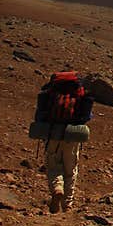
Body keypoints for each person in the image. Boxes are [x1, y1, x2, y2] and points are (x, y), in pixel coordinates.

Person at [34, 72, 93, 213]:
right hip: (72, 135)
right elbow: (86, 116)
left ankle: (57, 188)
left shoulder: (51, 92)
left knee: (54, 166)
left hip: (53, 134)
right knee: (71, 169)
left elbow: (40, 114)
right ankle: (68, 204)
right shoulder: (78, 93)